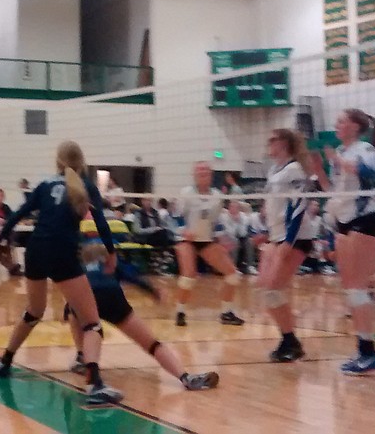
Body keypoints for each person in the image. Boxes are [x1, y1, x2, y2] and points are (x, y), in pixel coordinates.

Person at [0, 140, 123, 406]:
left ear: (57, 162)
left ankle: (4, 362)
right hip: (61, 252)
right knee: (91, 322)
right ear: (82, 163)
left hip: (36, 250)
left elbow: (17, 215)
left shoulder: (45, 185)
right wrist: (111, 253)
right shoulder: (86, 186)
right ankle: (95, 384)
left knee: (34, 311)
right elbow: (101, 222)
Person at [65, 244, 219, 392]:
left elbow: (71, 293)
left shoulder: (78, 268)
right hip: (114, 298)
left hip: (86, 298)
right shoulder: (111, 264)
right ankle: (186, 377)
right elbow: (134, 279)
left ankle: (84, 361)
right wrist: (153, 292)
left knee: (80, 319)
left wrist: (69, 310)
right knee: (152, 344)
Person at [311, 108, 375, 375]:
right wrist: (321, 170)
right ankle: (363, 350)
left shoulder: (363, 148)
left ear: (355, 126)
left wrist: (338, 161)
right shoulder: (342, 155)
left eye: (341, 120)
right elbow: (334, 192)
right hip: (343, 222)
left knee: (357, 288)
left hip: (365, 219)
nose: (336, 123)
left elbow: (372, 172)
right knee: (351, 289)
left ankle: (369, 352)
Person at [257, 129, 320, 362]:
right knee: (266, 288)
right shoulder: (274, 170)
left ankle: (291, 342)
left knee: (273, 290)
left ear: (284, 143)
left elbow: (299, 206)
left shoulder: (294, 169)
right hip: (277, 236)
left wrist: (288, 242)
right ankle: (288, 339)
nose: (268, 143)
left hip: (295, 238)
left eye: (272, 139)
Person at [171, 161, 249, 327]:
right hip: (187, 240)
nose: (202, 173)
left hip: (206, 240)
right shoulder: (187, 193)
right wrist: (183, 230)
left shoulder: (216, 196)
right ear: (194, 174)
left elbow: (217, 221)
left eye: (205, 170)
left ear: (211, 174)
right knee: (188, 276)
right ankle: (180, 311)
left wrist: (222, 238)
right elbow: (176, 215)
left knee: (232, 275)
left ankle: (227, 312)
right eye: (199, 171)